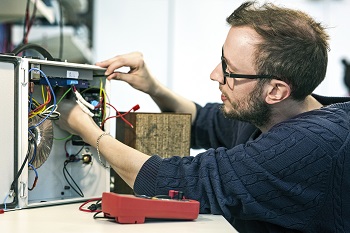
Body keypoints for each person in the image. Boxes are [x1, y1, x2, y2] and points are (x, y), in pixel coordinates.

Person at [57, 1, 350, 232]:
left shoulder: (309, 147)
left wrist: (83, 125)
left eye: (229, 70)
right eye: (222, 60)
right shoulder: (278, 112)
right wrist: (153, 87)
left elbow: (173, 181)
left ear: (275, 90)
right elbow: (203, 121)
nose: (214, 75)